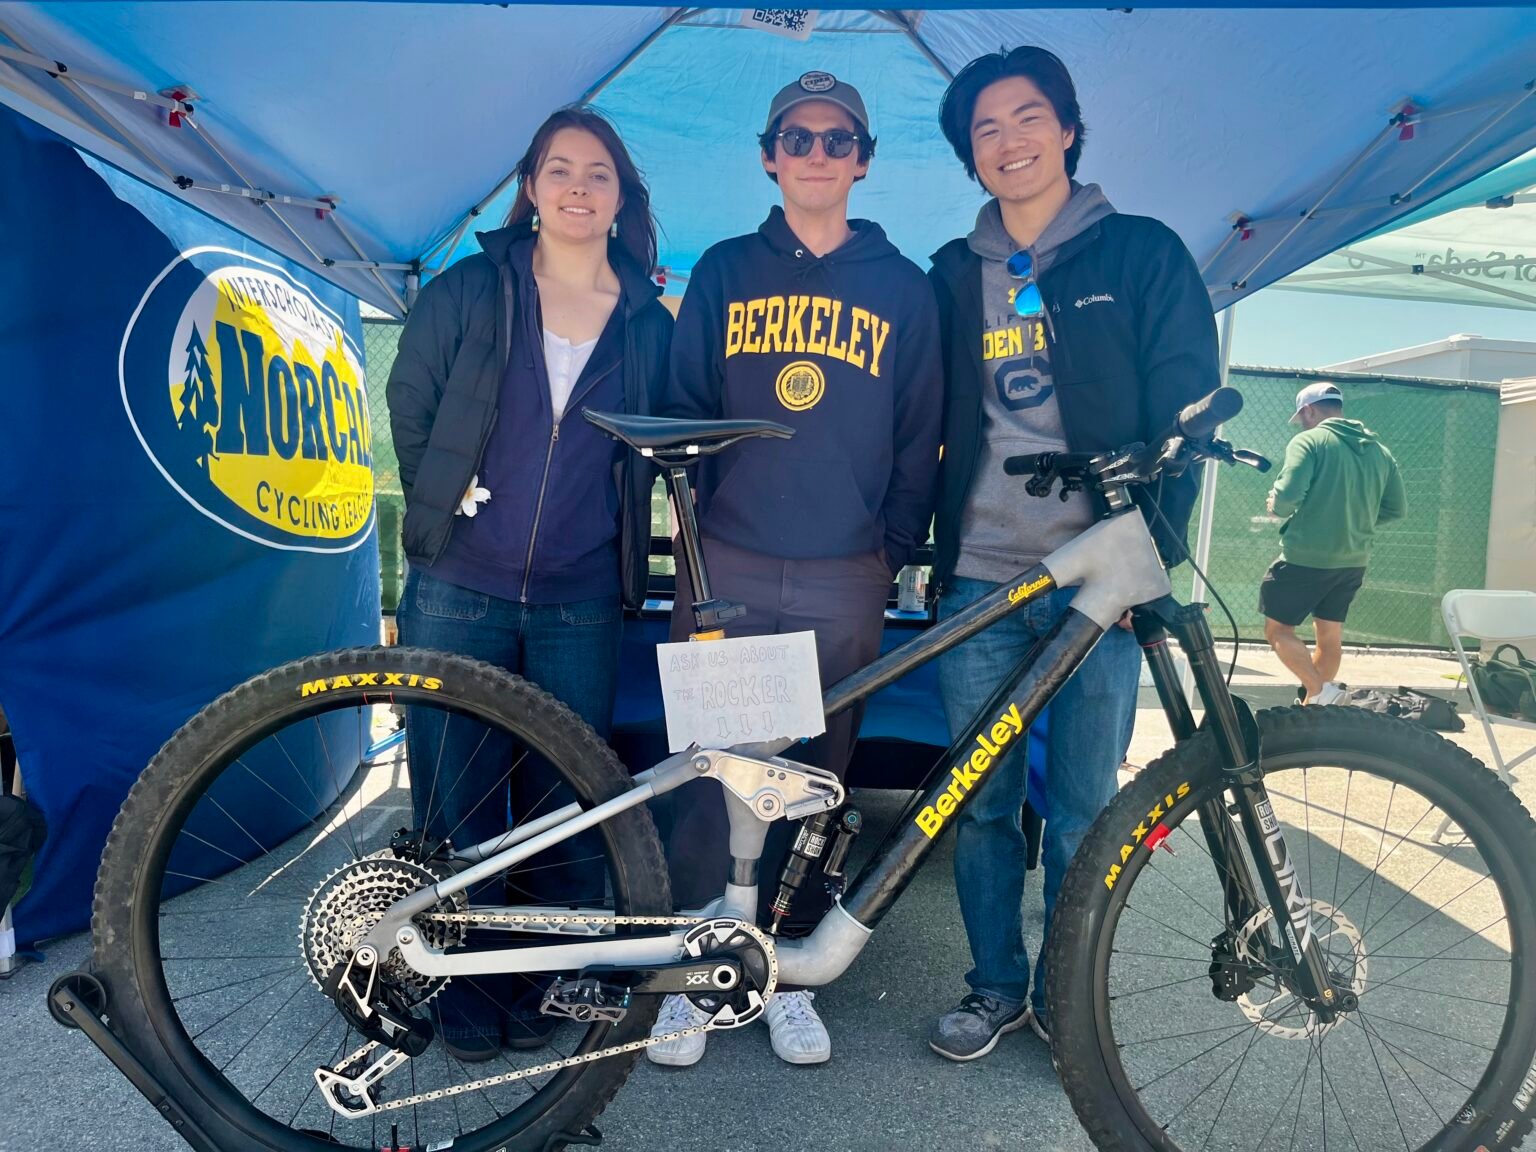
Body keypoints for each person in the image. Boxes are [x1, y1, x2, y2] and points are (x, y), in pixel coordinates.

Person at [924, 46, 1218, 1062]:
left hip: (1103, 580)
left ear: (1069, 128)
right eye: (986, 129)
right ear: (971, 154)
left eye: (1028, 117)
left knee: (1087, 810)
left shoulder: (1140, 253)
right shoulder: (951, 274)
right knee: (982, 806)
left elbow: (1187, 416)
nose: (1009, 141)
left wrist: (1151, 562)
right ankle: (995, 987)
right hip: (980, 578)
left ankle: (1065, 998)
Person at [648, 71, 943, 1067]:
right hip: (727, 559)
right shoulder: (727, 269)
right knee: (713, 771)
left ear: (862, 158)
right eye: (798, 137)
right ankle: (700, 969)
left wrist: (885, 556)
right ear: (769, 155)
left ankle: (776, 968)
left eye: (836, 139)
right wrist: (697, 548)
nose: (817, 153)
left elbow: (921, 439)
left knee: (814, 780)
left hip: (841, 573)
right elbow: (685, 410)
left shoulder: (904, 289)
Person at [386, 106, 673, 1062]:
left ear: (621, 193)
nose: (578, 186)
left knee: (563, 804)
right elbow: (412, 400)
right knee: (457, 801)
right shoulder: (474, 287)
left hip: (579, 599)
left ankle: (538, 984)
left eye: (598, 172)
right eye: (560, 169)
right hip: (456, 587)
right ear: (532, 185)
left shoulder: (647, 317)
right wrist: (442, 503)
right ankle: (463, 1000)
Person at [1261, 381, 1406, 704]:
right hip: (1353, 561)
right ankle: (1316, 711)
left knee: (1278, 631)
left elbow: (1286, 498)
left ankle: (1319, 691)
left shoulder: (1310, 441)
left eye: (1301, 417)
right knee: (1329, 637)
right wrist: (1354, 522)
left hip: (1305, 557)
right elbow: (1397, 509)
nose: (1301, 423)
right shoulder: (1380, 452)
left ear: (1309, 410)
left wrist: (1277, 507)